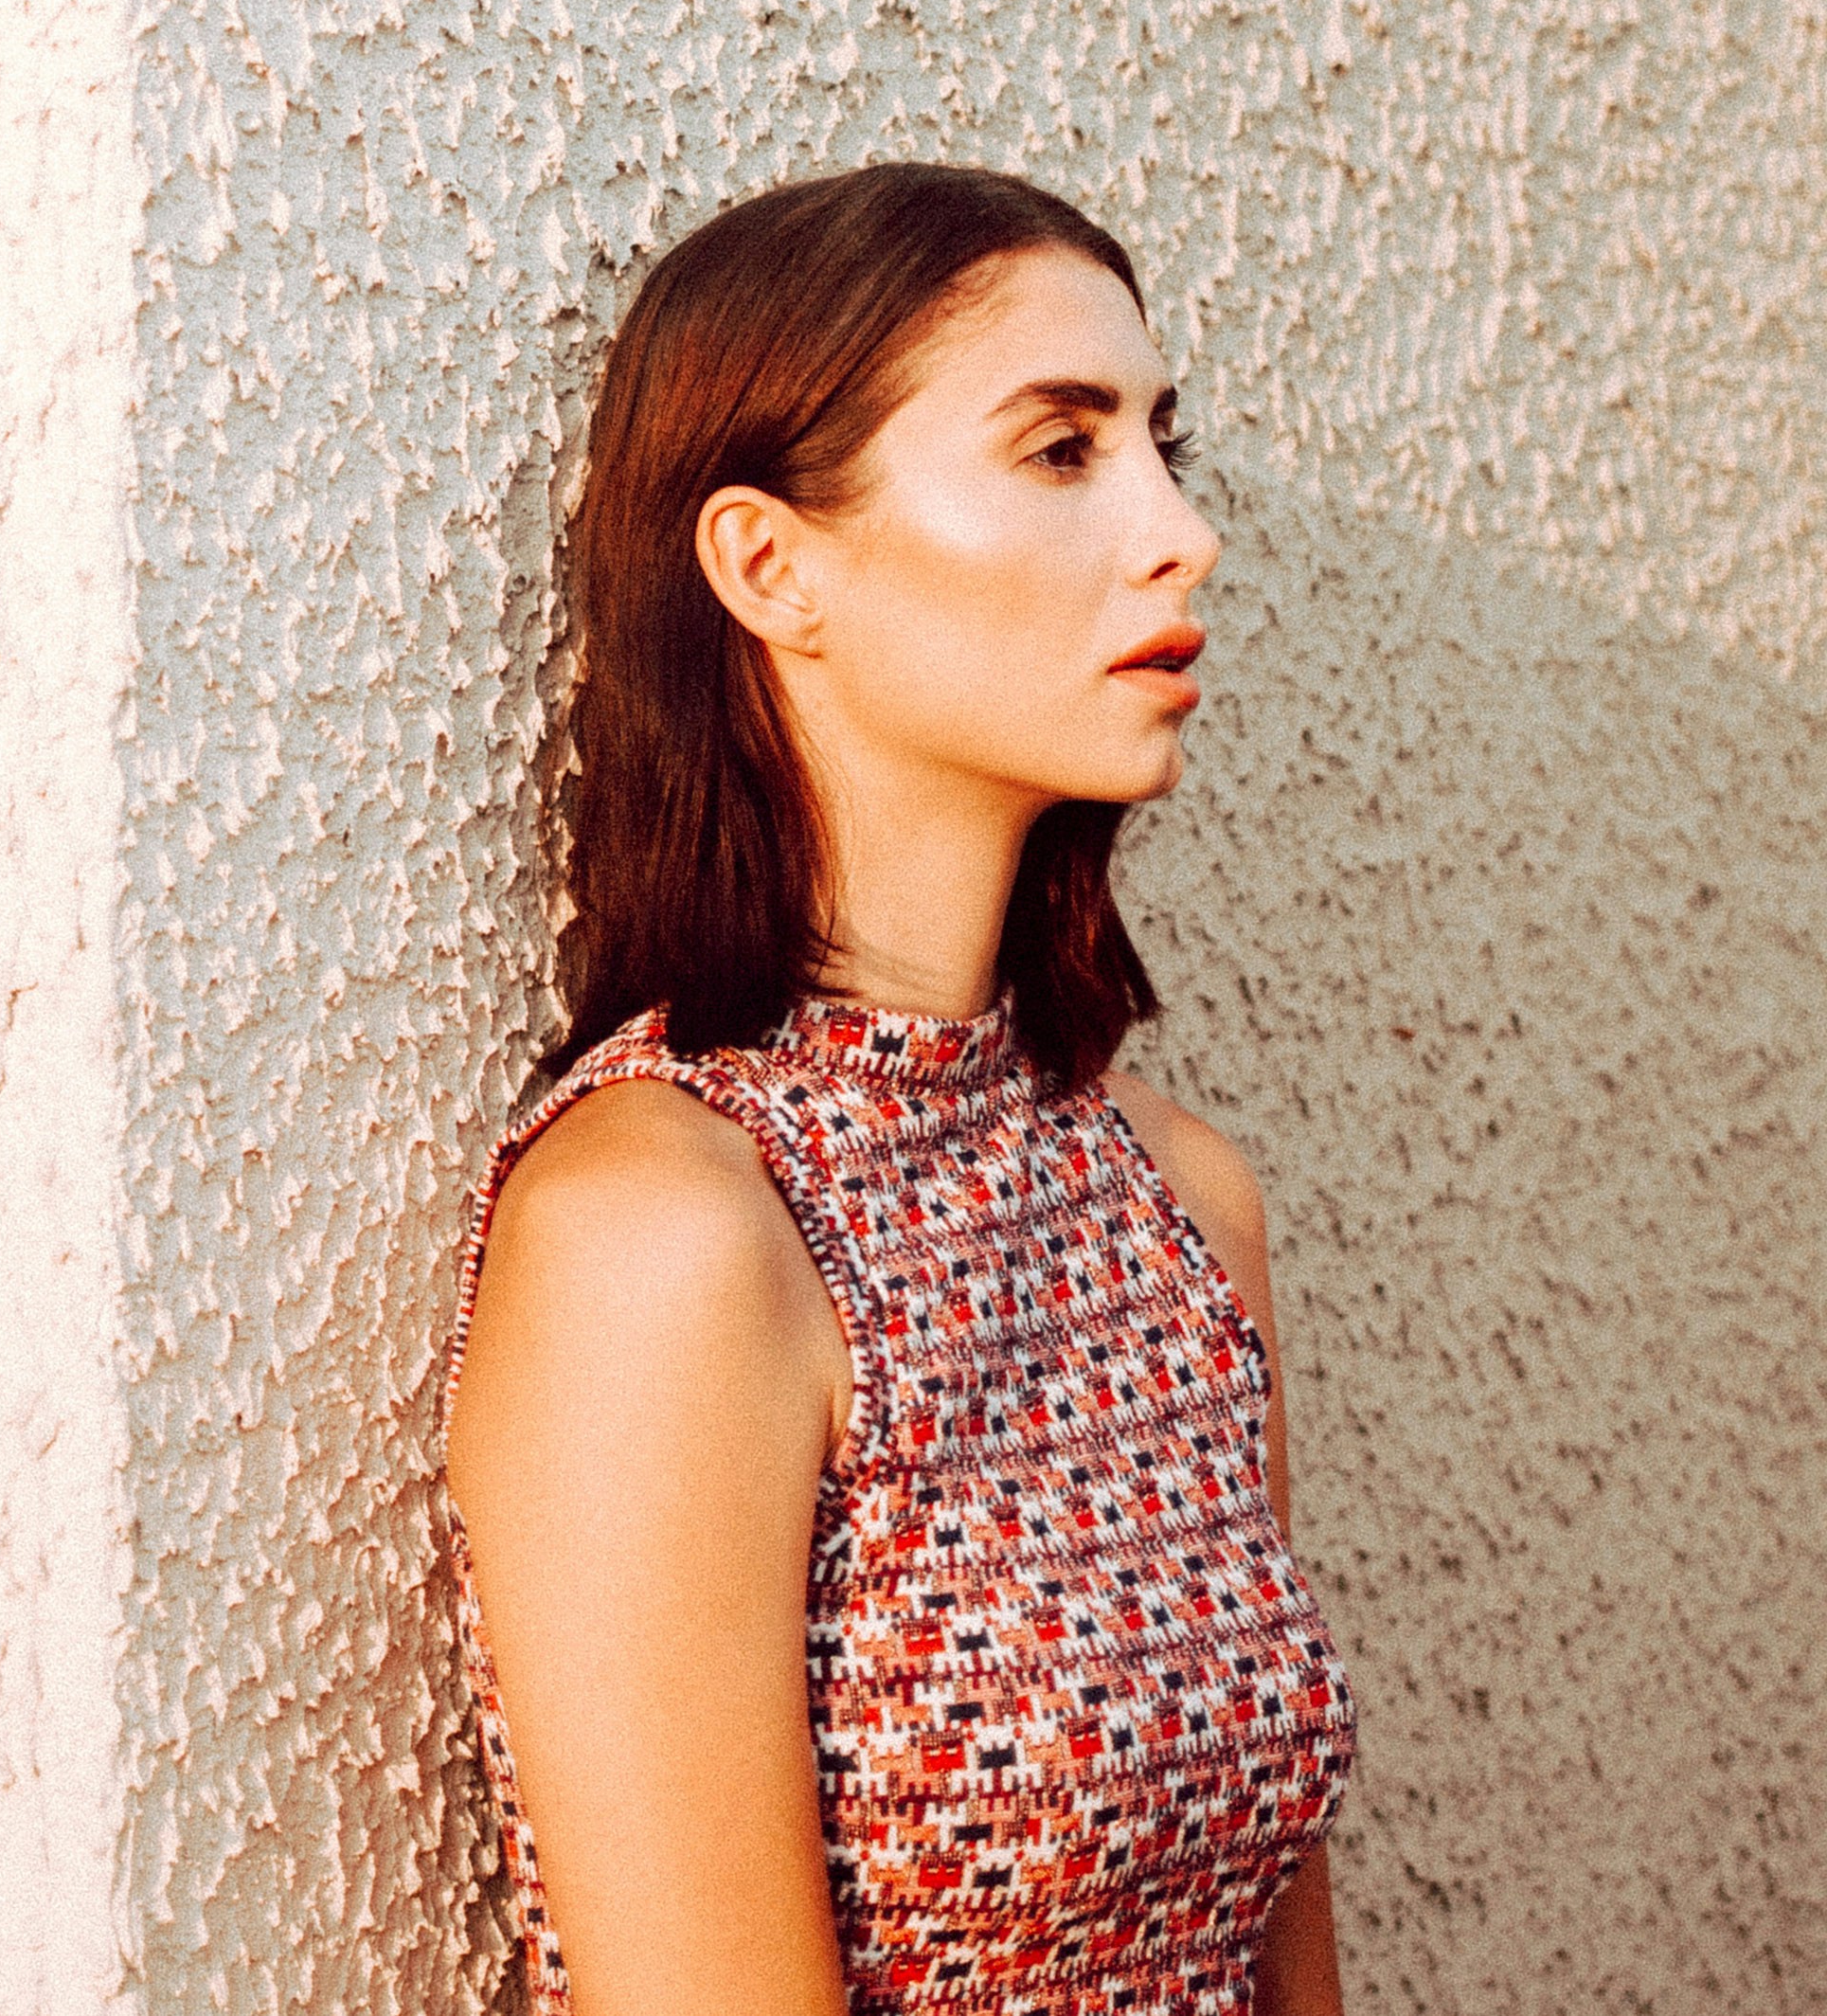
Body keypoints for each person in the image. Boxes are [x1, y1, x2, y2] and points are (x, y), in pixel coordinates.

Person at [442, 163, 1354, 2016]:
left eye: (1162, 444)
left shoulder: (1178, 1200)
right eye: (1060, 450)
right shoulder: (667, 1235)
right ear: (773, 565)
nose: (1180, 534)